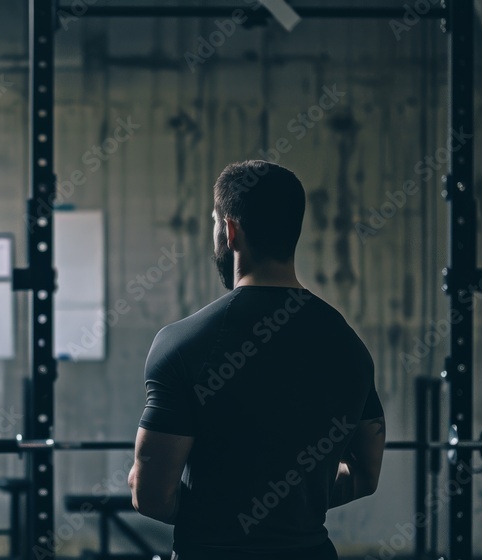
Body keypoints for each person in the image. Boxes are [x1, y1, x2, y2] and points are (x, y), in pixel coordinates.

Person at [127, 160, 386, 560]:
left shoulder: (181, 343)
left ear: (231, 231)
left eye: (216, 223)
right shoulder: (349, 346)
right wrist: (289, 507)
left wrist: (221, 516)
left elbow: (151, 494)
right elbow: (366, 475)